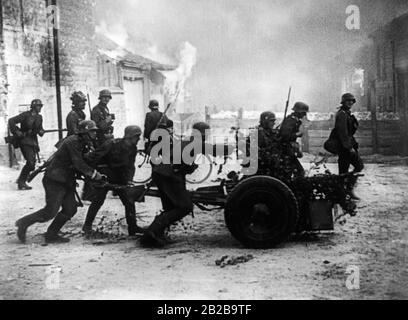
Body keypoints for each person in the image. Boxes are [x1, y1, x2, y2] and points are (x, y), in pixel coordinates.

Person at [140, 122, 234, 248]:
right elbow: (213, 149)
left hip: (162, 173)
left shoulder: (188, 141)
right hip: (169, 176)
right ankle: (151, 233)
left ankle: (156, 234)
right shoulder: (195, 142)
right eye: (207, 133)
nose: (208, 135)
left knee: (171, 208)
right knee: (184, 207)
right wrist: (234, 147)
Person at [15, 120, 105, 244]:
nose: (95, 134)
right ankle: (23, 223)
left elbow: (82, 161)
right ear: (84, 132)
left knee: (70, 209)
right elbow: (78, 163)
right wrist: (94, 174)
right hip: (54, 180)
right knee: (50, 211)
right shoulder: (73, 142)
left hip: (66, 180)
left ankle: (51, 234)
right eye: (92, 131)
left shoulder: (83, 142)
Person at [82, 126, 145, 236]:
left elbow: (131, 166)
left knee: (129, 201)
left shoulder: (133, 149)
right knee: (98, 201)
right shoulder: (111, 144)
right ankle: (87, 226)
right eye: (137, 137)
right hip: (105, 176)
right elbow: (94, 157)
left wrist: (129, 179)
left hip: (120, 178)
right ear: (129, 137)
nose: (138, 139)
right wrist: (92, 173)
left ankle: (133, 227)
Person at [8, 99, 45, 190]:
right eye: (38, 106)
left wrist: (41, 131)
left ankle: (21, 179)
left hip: (33, 142)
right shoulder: (25, 115)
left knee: (32, 164)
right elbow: (11, 121)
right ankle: (21, 182)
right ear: (33, 107)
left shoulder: (39, 117)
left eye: (41, 106)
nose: (40, 108)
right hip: (24, 141)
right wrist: (17, 131)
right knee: (30, 162)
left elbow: (40, 129)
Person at [335, 93, 364, 175]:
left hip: (348, 145)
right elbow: (342, 132)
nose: (350, 102)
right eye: (348, 101)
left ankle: (346, 181)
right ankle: (343, 183)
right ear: (343, 102)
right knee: (346, 169)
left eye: (352, 101)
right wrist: (349, 147)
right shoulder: (342, 114)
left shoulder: (347, 113)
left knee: (356, 166)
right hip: (345, 147)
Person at [279, 102, 310, 178]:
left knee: (294, 171)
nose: (304, 115)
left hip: (288, 149)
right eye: (303, 113)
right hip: (285, 150)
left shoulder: (295, 120)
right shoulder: (290, 121)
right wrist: (297, 134)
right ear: (298, 112)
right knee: (297, 171)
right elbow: (285, 136)